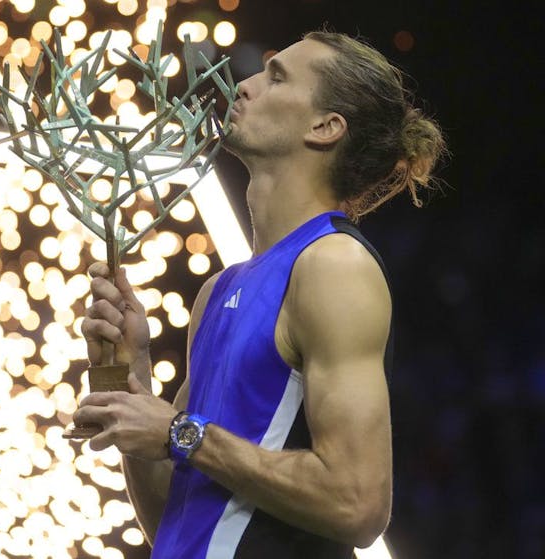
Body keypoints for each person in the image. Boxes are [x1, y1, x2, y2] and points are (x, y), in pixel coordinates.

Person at [72, 29, 445, 558]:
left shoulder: (334, 265)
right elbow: (175, 525)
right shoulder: (218, 290)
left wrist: (181, 433)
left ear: (325, 127)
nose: (244, 85)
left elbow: (358, 504)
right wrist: (133, 377)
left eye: (276, 77)